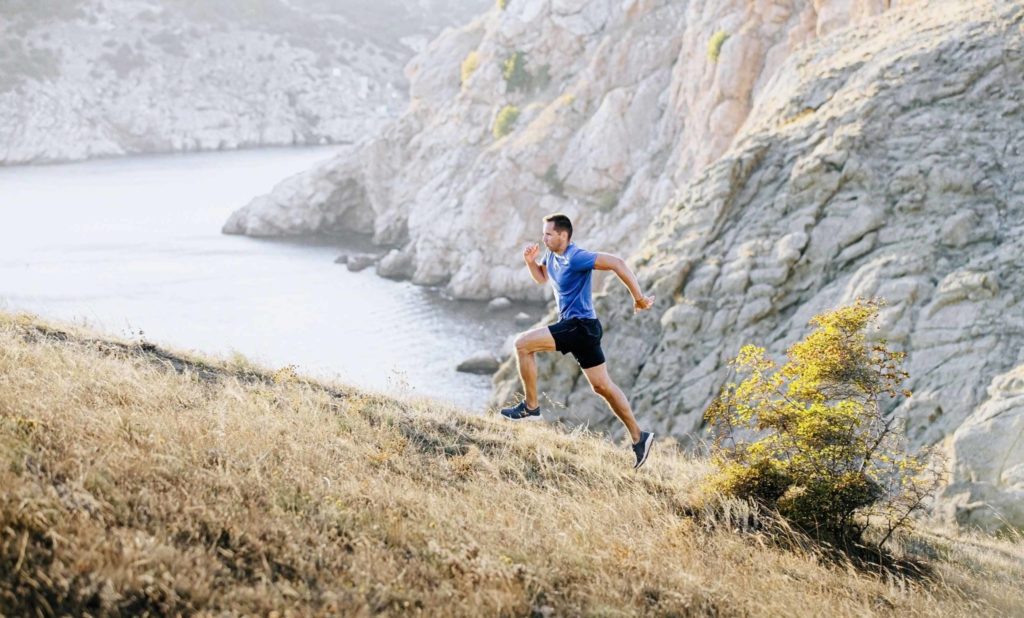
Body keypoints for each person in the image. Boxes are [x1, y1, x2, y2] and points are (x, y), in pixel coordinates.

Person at [499, 213, 657, 469]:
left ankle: (531, 407)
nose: (544, 238)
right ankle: (640, 437)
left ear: (563, 235)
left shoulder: (576, 256)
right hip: (585, 329)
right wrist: (530, 263)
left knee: (522, 344)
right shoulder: (551, 255)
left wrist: (638, 297)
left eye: (548, 234)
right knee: (602, 386)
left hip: (579, 326)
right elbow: (542, 277)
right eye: (544, 233)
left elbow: (617, 263)